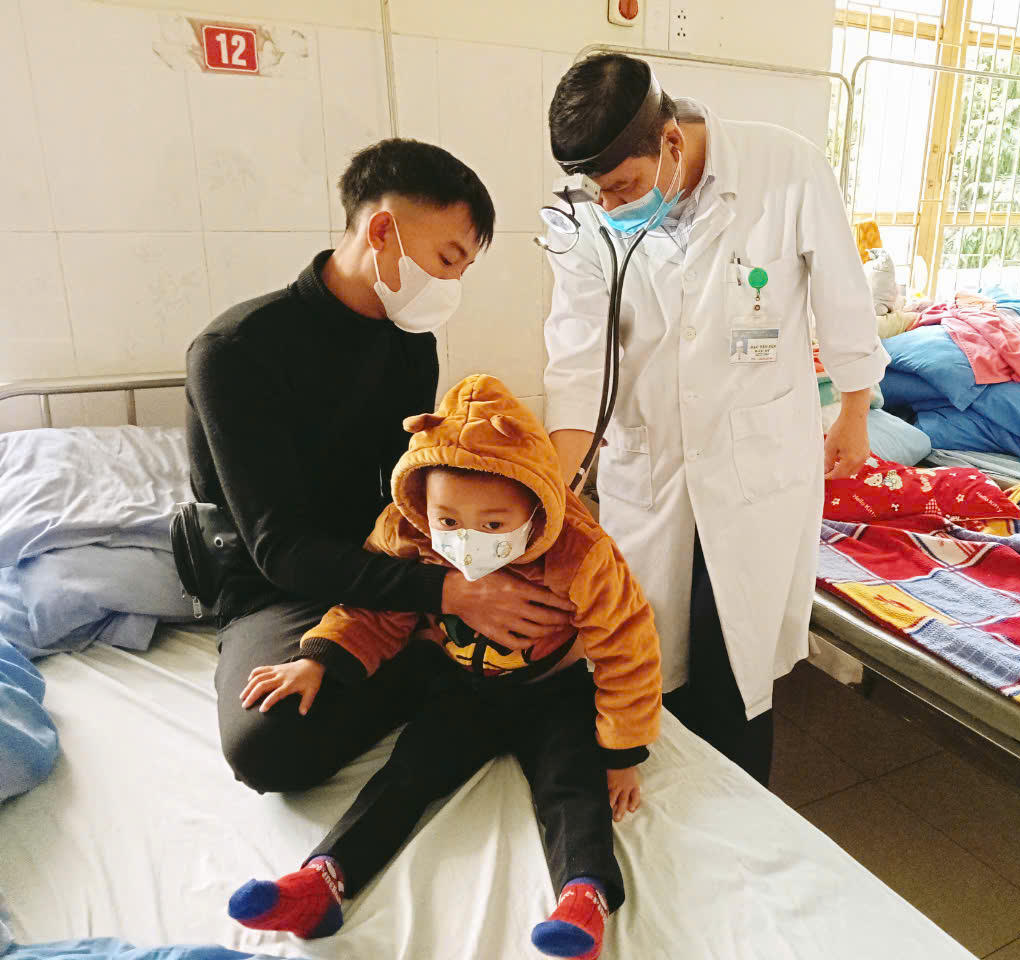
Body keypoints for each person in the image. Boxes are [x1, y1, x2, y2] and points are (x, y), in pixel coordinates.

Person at [186, 139, 576, 794]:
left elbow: (410, 493)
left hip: (391, 562)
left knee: (552, 626)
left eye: (463, 270)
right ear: (381, 231)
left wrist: (486, 553)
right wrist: (451, 597)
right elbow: (281, 549)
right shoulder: (236, 352)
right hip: (282, 585)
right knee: (267, 745)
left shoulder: (409, 345)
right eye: (447, 260)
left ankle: (441, 660)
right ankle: (436, 668)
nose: (451, 287)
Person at [225, 375, 662, 960]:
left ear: (535, 507)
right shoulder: (410, 534)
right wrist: (317, 659)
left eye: (494, 525)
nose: (467, 540)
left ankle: (584, 899)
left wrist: (624, 753)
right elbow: (373, 611)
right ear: (420, 505)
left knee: (572, 785)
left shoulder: (578, 553)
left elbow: (627, 643)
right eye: (449, 521)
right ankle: (323, 879)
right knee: (407, 773)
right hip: (461, 688)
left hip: (553, 691)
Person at [542, 54, 888, 785]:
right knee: (647, 655)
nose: (609, 205)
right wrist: (555, 490)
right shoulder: (585, 217)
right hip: (652, 465)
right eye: (597, 191)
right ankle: (666, 811)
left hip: (754, 466)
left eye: (623, 187)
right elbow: (576, 358)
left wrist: (854, 409)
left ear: (670, 140)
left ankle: (743, 816)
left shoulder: (784, 166)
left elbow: (842, 293)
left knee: (735, 670)